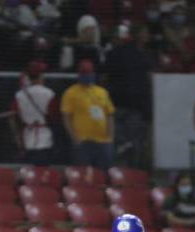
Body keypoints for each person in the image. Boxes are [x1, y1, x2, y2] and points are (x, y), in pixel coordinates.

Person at [105, 24, 154, 169]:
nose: (147, 36)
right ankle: (129, 178)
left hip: (119, 106)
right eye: (145, 32)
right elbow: (146, 84)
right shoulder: (141, 56)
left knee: (121, 146)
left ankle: (117, 176)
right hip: (132, 109)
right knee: (132, 146)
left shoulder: (116, 52)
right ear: (137, 34)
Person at [61, 60, 115, 170]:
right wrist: (74, 138)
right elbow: (66, 117)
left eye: (89, 73)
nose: (87, 75)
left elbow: (109, 114)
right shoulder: (70, 93)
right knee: (82, 174)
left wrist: (110, 137)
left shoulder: (102, 92)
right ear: (79, 74)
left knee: (104, 174)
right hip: (82, 141)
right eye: (84, 73)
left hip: (103, 141)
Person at [10, 61, 57, 166]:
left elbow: (12, 118)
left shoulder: (19, 95)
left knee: (28, 174)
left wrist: (17, 138)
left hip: (27, 138)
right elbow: (54, 116)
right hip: (44, 139)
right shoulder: (49, 93)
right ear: (40, 76)